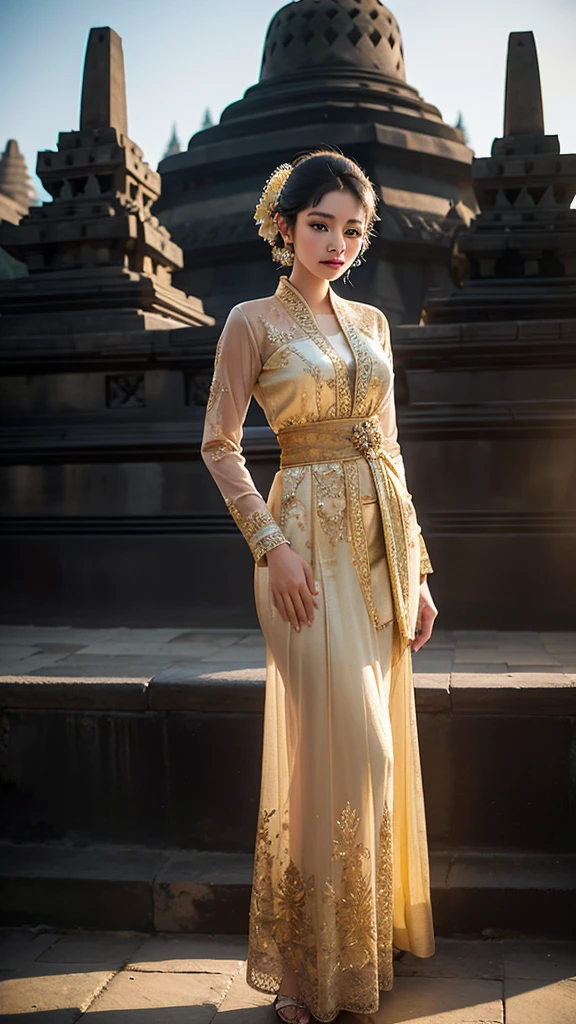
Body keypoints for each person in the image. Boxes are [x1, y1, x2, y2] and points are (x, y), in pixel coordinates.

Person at [201, 149, 438, 1024]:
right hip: (298, 546)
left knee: (369, 759)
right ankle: (302, 971)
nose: (337, 242)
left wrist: (415, 571)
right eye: (320, 225)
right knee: (331, 758)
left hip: (377, 547)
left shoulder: (374, 323)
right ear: (284, 226)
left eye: (352, 229)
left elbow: (393, 448)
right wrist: (271, 548)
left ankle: (356, 950)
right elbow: (219, 445)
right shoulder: (250, 323)